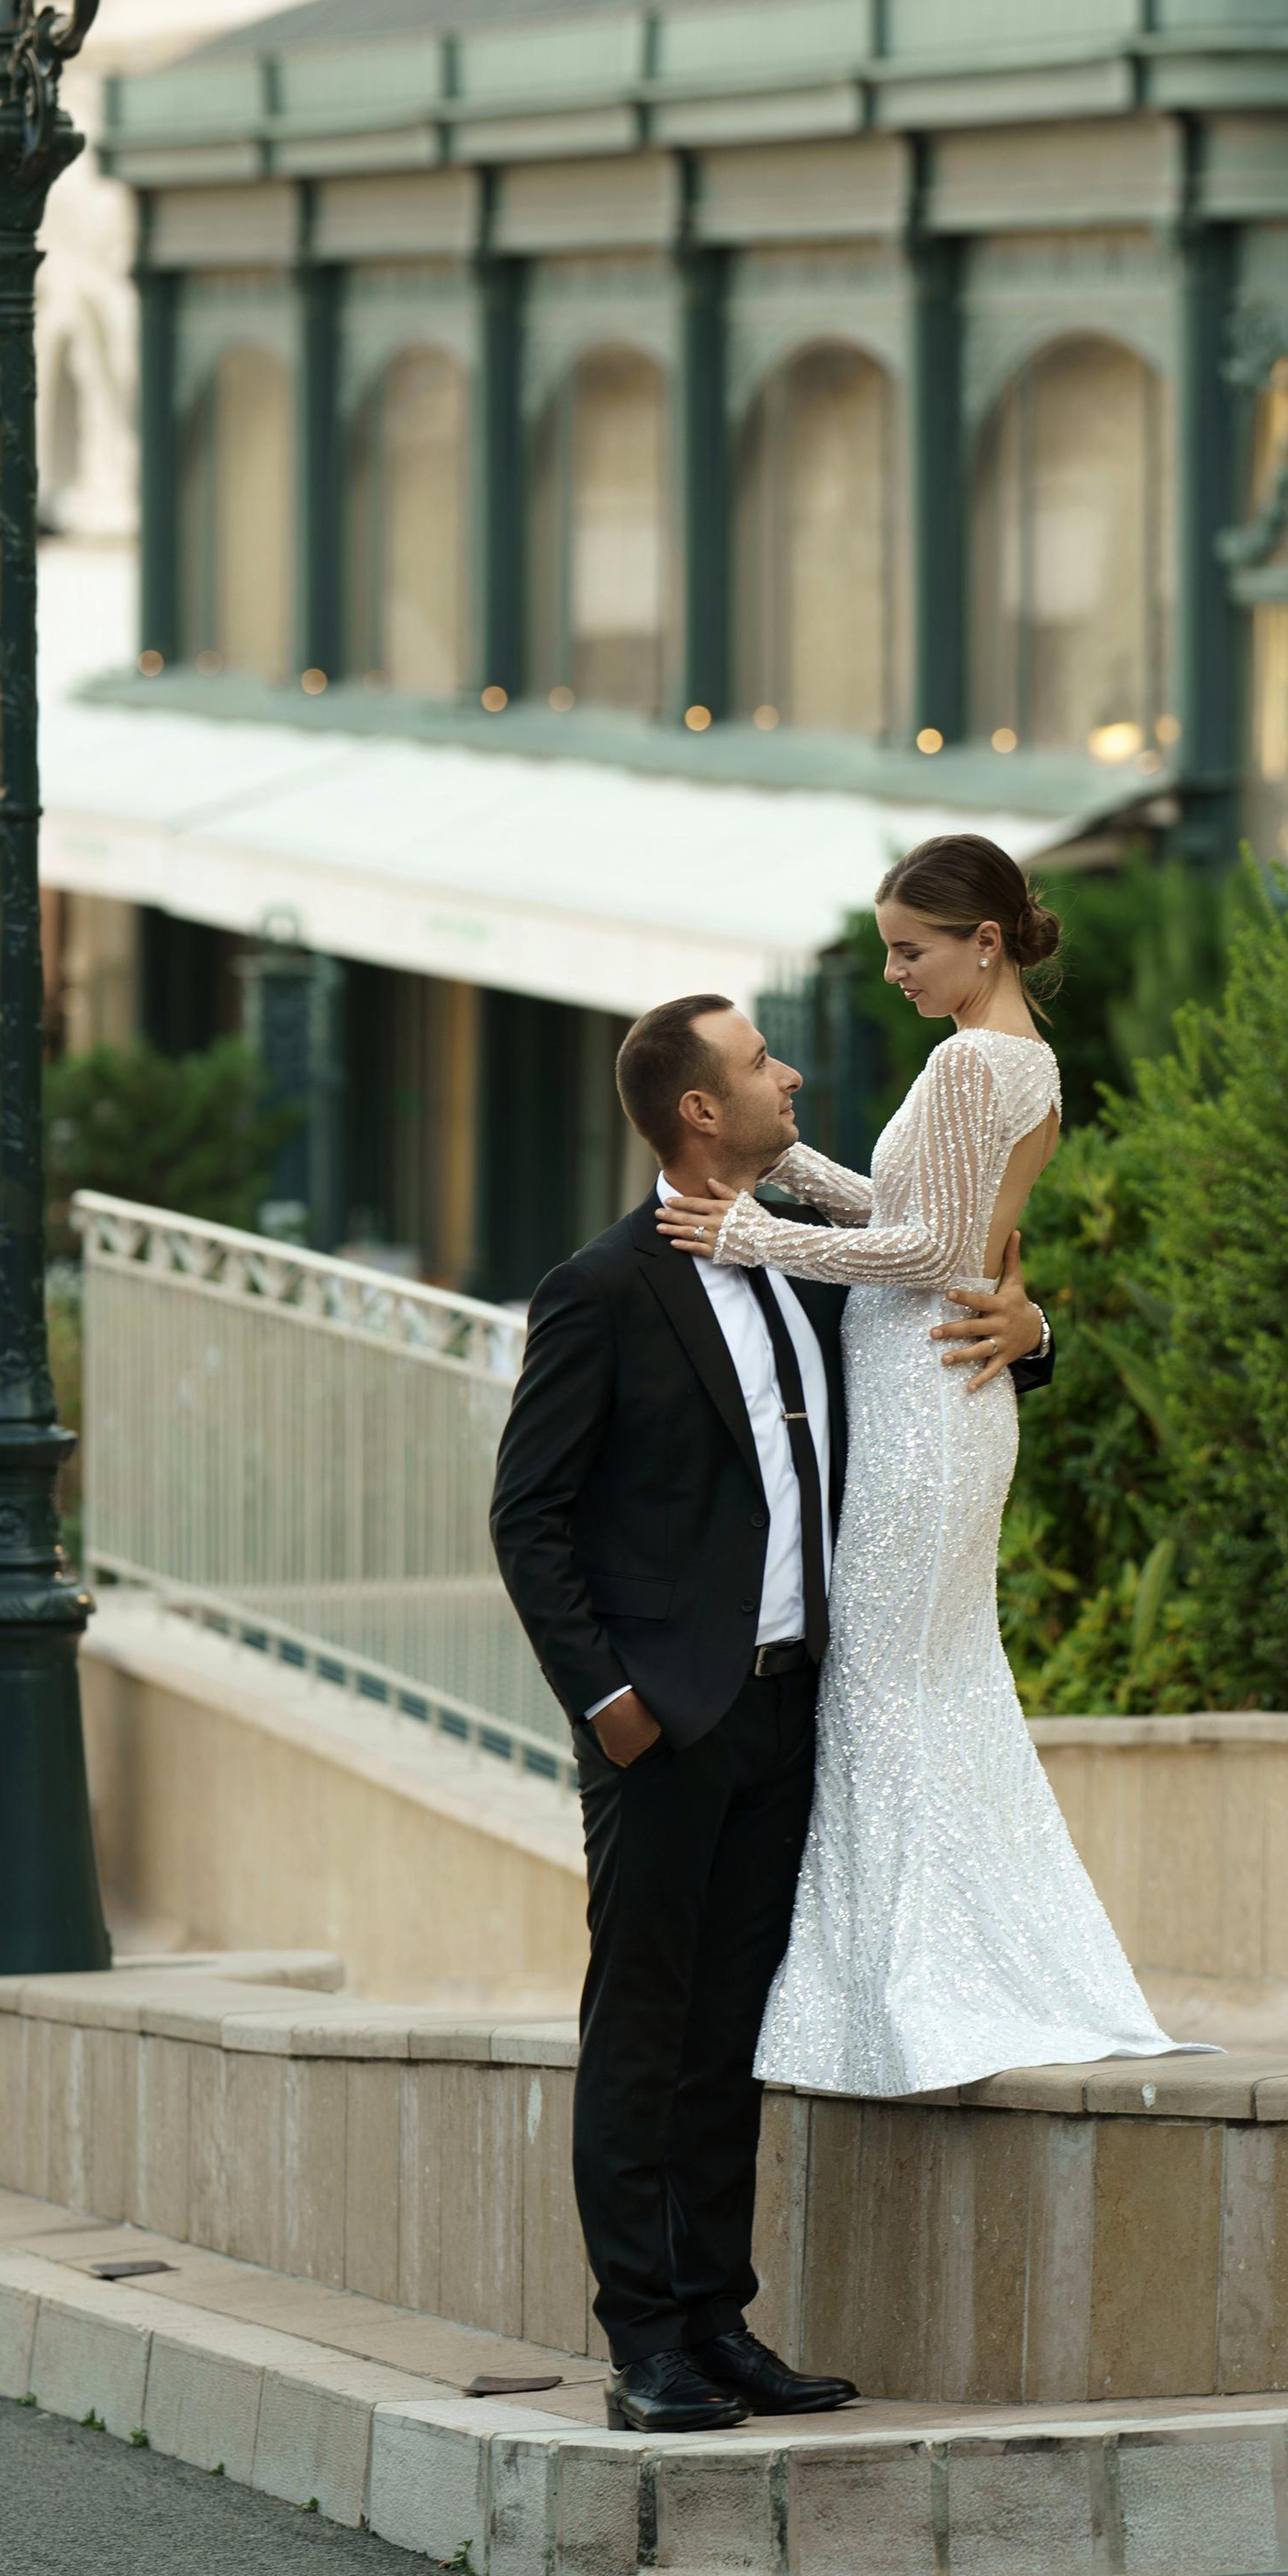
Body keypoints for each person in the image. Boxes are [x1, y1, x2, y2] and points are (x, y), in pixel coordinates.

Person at [488, 990, 1054, 2436]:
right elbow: (529, 1519)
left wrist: (1032, 1325)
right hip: (667, 1728)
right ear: (697, 1109)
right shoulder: (601, 1290)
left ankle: (720, 2321)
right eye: (757, 1063)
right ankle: (645, 2345)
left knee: (729, 2028)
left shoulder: (805, 1265)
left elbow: (943, 1284)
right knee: (644, 2032)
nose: (785, 1076)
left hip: (792, 1718)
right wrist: (612, 1704)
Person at [658, 833, 1184, 2102]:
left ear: (983, 942)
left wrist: (750, 1229)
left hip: (924, 1397)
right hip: (947, 1401)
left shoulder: (967, 1065)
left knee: (889, 1691)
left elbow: (929, 1251)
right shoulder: (1031, 1067)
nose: (893, 971)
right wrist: (789, 1166)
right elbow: (927, 1227)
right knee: (933, 1686)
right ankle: (941, 1977)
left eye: (911, 949)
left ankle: (900, 1994)